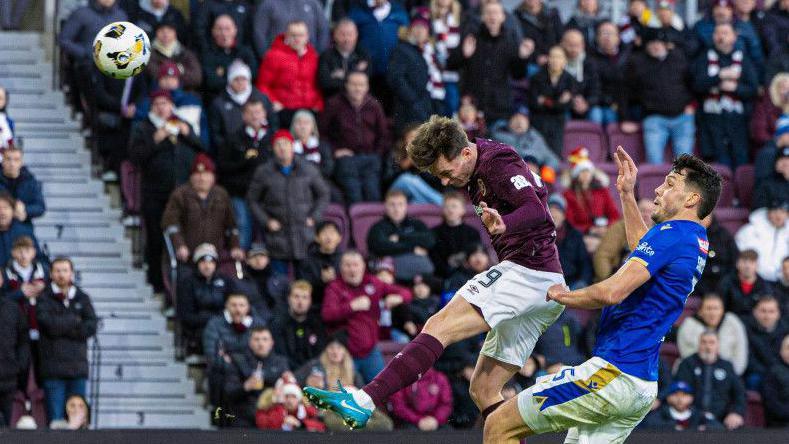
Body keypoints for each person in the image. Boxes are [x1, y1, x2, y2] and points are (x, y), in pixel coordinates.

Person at [305, 115, 566, 430]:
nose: (444, 182)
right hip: (542, 284)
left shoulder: (498, 163)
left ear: (466, 153)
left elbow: (537, 211)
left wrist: (506, 224)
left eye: (445, 172)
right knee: (483, 390)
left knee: (439, 324)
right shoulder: (474, 162)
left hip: (529, 273)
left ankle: (363, 401)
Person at [485, 149, 723, 442]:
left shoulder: (673, 233)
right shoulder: (693, 239)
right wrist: (626, 194)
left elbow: (612, 292)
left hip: (614, 374)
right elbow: (642, 246)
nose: (659, 189)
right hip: (640, 384)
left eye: (671, 184)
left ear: (691, 199)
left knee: (498, 425)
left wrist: (560, 295)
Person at [128, 89, 202, 291]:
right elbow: (135, 157)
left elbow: (202, 149)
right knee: (156, 237)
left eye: (166, 103)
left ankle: (181, 284)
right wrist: (156, 139)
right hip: (155, 192)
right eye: (158, 104)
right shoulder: (143, 128)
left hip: (182, 193)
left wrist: (190, 134)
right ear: (152, 107)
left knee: (184, 238)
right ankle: (156, 283)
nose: (162, 108)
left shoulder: (181, 125)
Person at [320, 251, 412, 384]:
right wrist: (351, 306)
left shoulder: (373, 282)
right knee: (346, 395)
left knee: (383, 389)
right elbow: (327, 315)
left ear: (363, 267)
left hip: (370, 351)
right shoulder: (334, 287)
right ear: (341, 268)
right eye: (347, 265)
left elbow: (407, 292)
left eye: (356, 265)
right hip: (345, 353)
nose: (352, 269)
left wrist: (399, 297)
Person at [247, 130, 329, 274]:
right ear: (273, 148)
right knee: (279, 282)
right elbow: (252, 200)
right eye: (278, 144)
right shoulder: (264, 172)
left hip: (304, 235)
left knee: (304, 283)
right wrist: (266, 221)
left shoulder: (308, 169)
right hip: (278, 237)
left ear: (292, 146)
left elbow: (323, 194)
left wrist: (314, 217)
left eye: (285, 143)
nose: (282, 148)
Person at [447, 1, 531, 124]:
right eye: (489, 13)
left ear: (503, 17)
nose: (492, 16)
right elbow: (450, 65)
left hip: (500, 108)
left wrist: (522, 58)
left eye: (496, 13)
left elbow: (518, 74)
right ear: (483, 17)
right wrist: (463, 54)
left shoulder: (510, 42)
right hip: (473, 108)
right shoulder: (472, 38)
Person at [620, 28, 695, 164]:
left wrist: (693, 105)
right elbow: (624, 91)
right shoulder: (636, 62)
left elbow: (693, 83)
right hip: (654, 118)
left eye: (659, 42)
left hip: (682, 117)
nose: (655, 45)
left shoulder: (679, 57)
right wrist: (625, 118)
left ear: (666, 44)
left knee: (685, 166)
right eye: (651, 42)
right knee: (654, 163)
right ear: (645, 45)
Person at [37, 258, 98, 422]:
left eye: (65, 270)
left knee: (78, 421)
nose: (61, 274)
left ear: (71, 273)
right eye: (57, 270)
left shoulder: (82, 298)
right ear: (51, 274)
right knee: (56, 421)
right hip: (53, 371)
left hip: (77, 369)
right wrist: (75, 320)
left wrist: (61, 324)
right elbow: (48, 325)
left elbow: (91, 326)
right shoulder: (44, 298)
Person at [692, 23, 759, 169]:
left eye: (725, 33)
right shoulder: (703, 58)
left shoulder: (744, 59)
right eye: (718, 33)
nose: (721, 37)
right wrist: (719, 76)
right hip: (711, 123)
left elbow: (753, 89)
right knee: (716, 170)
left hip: (737, 124)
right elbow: (696, 84)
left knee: (740, 164)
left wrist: (735, 88)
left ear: (734, 37)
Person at [319, 71, 389, 204]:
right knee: (354, 197)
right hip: (346, 160)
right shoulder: (334, 104)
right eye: (354, 84)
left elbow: (383, 134)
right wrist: (334, 151)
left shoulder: (374, 105)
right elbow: (322, 133)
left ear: (367, 87)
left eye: (361, 85)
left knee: (373, 196)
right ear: (346, 85)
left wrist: (377, 154)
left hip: (370, 158)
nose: (358, 88)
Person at [161, 153, 243, 266]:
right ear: (191, 176)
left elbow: (231, 225)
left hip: (216, 257)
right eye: (197, 174)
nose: (202, 178)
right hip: (187, 256)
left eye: (206, 174)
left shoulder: (221, 194)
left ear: (213, 177)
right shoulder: (180, 195)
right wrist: (179, 245)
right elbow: (171, 224)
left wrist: (235, 246)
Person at [218, 97, 273, 250]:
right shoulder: (233, 139)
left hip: (267, 196)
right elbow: (224, 167)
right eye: (251, 112)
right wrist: (245, 162)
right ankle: (241, 270)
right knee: (243, 231)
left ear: (264, 114)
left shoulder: (272, 138)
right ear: (243, 116)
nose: (255, 116)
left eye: (258, 112)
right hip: (241, 195)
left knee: (268, 234)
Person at [674, 331, 746, 430]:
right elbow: (679, 391)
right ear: (699, 344)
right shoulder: (687, 364)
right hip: (692, 417)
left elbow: (740, 393)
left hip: (722, 418)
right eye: (704, 342)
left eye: (712, 343)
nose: (707, 346)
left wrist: (736, 412)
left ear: (718, 346)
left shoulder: (727, 366)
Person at [256, 22, 323, 127]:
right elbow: (263, 85)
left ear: (307, 37)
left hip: (310, 109)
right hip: (284, 109)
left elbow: (319, 84)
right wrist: (273, 102)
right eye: (293, 35)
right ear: (286, 36)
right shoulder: (274, 55)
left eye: (300, 35)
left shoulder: (313, 56)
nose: (297, 39)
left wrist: (318, 104)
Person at [221, 326, 290, 427]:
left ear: (271, 343)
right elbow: (228, 391)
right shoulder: (238, 361)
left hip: (274, 417)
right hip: (245, 418)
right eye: (256, 339)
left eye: (265, 339)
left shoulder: (281, 363)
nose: (261, 344)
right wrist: (245, 387)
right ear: (250, 342)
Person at [387, 14, 443, 133]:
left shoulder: (428, 52)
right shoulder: (402, 49)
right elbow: (395, 78)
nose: (419, 31)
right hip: (408, 109)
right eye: (416, 27)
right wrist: (414, 100)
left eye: (423, 28)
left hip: (426, 106)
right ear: (410, 30)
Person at [208, 60, 278, 155]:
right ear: (229, 80)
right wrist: (228, 148)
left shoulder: (262, 98)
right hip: (231, 152)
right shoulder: (218, 103)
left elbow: (273, 124)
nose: (240, 82)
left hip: (263, 148)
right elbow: (215, 133)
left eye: (243, 79)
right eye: (236, 79)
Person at [367, 189, 436, 283]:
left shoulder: (416, 224)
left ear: (406, 206)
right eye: (392, 205)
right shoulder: (378, 227)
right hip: (391, 277)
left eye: (400, 204)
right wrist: (412, 248)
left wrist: (400, 237)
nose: (396, 209)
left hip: (421, 277)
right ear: (386, 206)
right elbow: (381, 247)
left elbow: (429, 240)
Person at [347, 0, 410, 103]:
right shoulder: (357, 11)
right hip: (367, 71)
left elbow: (406, 38)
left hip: (392, 70)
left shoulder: (398, 11)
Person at [176, 243, 232, 355]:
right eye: (203, 262)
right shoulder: (188, 283)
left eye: (211, 262)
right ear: (197, 263)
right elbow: (186, 315)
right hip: (198, 328)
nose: (207, 266)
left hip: (223, 324)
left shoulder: (226, 281)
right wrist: (210, 319)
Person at [677, 293, 749, 375]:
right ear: (700, 311)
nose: (712, 313)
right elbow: (687, 355)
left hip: (729, 376)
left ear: (722, 310)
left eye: (716, 308)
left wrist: (728, 375)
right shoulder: (689, 326)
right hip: (697, 375)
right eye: (708, 308)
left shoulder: (733, 323)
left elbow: (741, 354)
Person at [528, 46, 578, 155]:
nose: (555, 60)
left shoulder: (570, 80)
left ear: (565, 61)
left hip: (557, 121)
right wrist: (558, 102)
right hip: (539, 119)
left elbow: (567, 106)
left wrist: (545, 101)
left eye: (559, 57)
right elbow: (533, 103)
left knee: (554, 155)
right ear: (548, 59)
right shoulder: (536, 78)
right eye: (552, 56)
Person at [592, 198, 654, 282]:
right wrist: (609, 282)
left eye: (650, 212)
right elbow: (602, 256)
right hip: (616, 279)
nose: (646, 215)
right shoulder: (620, 228)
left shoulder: (658, 232)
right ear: (634, 211)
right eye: (643, 211)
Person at [561, 146, 620, 234]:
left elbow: (614, 215)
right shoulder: (568, 195)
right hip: (582, 235)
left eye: (587, 171)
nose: (585, 174)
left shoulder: (602, 190)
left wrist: (606, 226)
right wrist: (589, 229)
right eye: (582, 172)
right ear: (576, 175)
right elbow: (570, 224)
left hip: (605, 231)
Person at [270, 281, 326, 369]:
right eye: (296, 297)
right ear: (289, 299)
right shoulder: (278, 324)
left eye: (305, 297)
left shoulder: (317, 325)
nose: (300, 302)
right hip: (287, 371)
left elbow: (320, 353)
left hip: (313, 372)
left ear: (310, 301)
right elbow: (280, 354)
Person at [201, 14, 258, 100]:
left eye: (227, 29)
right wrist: (234, 84)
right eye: (219, 29)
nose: (223, 33)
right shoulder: (208, 55)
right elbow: (211, 81)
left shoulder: (245, 52)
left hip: (247, 96)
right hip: (219, 98)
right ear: (213, 31)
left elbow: (253, 73)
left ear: (235, 30)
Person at [430, 191, 481, 279]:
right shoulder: (434, 232)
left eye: (454, 206)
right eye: (447, 207)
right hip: (444, 275)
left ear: (463, 210)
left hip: (470, 275)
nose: (450, 210)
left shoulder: (473, 232)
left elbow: (477, 255)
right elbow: (435, 259)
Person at [490, 105, 558, 170]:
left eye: (523, 119)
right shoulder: (498, 135)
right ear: (509, 120)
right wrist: (524, 163)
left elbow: (553, 159)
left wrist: (544, 169)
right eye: (516, 118)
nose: (519, 123)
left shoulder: (535, 138)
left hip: (533, 177)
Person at [252, 0, 329, 57]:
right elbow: (259, 33)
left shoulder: (313, 3)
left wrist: (316, 56)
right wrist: (267, 57)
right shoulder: (268, 4)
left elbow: (323, 30)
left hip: (308, 62)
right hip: (278, 62)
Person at [736, 199, 788, 282]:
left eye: (782, 211)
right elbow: (739, 258)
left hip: (783, 284)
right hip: (754, 282)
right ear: (768, 212)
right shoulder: (749, 231)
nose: (778, 215)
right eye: (775, 211)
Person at [317, 19, 371, 100]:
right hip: (333, 101)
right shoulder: (326, 56)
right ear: (334, 35)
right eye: (342, 34)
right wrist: (355, 73)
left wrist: (344, 74)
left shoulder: (363, 55)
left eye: (350, 34)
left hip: (359, 102)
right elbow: (325, 83)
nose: (347, 39)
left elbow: (367, 78)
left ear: (356, 35)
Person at [549, 194, 593, 290]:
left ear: (564, 215)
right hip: (548, 285)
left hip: (572, 284)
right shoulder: (540, 235)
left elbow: (585, 263)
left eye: (557, 211)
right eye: (551, 210)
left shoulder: (575, 235)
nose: (554, 214)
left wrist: (583, 282)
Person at [590, 21, 629, 126]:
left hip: (621, 103)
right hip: (599, 102)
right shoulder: (591, 58)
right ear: (597, 38)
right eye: (603, 33)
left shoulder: (627, 56)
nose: (607, 37)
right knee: (596, 115)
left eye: (611, 33)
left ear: (618, 37)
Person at [145, 19, 202, 92]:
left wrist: (176, 76)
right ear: (156, 33)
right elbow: (150, 74)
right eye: (162, 31)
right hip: (156, 94)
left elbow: (196, 78)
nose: (165, 35)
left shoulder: (186, 54)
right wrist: (178, 70)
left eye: (169, 31)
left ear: (175, 33)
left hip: (183, 94)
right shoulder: (148, 54)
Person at [640, 380, 723, 430]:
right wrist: (672, 427)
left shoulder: (699, 415)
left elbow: (719, 428)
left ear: (691, 398)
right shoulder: (660, 414)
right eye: (675, 395)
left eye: (684, 395)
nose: (680, 399)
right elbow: (648, 425)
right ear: (668, 398)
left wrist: (704, 429)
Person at [744, 296, 789, 389]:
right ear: (755, 312)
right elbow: (749, 360)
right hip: (759, 374)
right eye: (763, 311)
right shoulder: (745, 330)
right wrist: (770, 373)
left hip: (782, 372)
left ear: (778, 313)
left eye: (771, 311)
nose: (767, 316)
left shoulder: (785, 330)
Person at [0, 288, 29, 427]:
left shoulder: (13, 308)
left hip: (8, 378)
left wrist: (19, 366)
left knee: (7, 427)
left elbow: (23, 341)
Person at [296, 221, 343, 304]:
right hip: (315, 304)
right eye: (324, 233)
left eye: (332, 233)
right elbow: (302, 287)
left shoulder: (345, 259)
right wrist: (321, 282)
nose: (328, 237)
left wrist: (335, 281)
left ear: (339, 238)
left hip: (341, 303)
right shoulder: (307, 260)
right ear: (317, 238)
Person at [717, 249, 776, 315]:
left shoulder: (765, 287)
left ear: (757, 266)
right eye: (744, 261)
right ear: (737, 264)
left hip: (756, 323)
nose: (747, 266)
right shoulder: (726, 283)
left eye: (752, 262)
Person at [255, 377, 326, 431]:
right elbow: (262, 424)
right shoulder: (270, 409)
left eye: (293, 397)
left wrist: (300, 424)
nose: (290, 400)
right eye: (287, 396)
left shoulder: (306, 410)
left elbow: (321, 426)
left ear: (298, 399)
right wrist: (282, 421)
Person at [0, 146, 45, 230]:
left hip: (22, 230)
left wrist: (25, 210)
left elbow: (40, 207)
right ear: (3, 161)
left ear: (21, 162)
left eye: (16, 160)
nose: (12, 164)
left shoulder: (30, 181)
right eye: (8, 159)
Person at [560, 29, 600, 120]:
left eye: (577, 45)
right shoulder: (556, 61)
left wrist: (587, 103)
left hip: (586, 103)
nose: (573, 49)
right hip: (564, 104)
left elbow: (596, 89)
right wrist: (570, 100)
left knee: (596, 114)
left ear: (583, 46)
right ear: (562, 44)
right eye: (570, 45)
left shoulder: (590, 63)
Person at [290, 110, 333, 179]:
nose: (302, 127)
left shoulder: (322, 146)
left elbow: (328, 169)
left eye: (306, 123)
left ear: (313, 126)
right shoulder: (288, 146)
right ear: (293, 126)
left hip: (319, 181)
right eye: (299, 123)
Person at [0, 191, 39, 267]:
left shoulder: (25, 232)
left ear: (13, 211)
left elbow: (40, 259)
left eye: (5, 208)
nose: (2, 212)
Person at [763, 334, 789, 427]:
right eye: (788, 348)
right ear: (781, 351)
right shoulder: (772, 372)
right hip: (782, 425)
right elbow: (772, 405)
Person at [753, 143, 789, 211]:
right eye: (782, 160)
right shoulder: (766, 183)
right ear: (775, 164)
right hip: (770, 219)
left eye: (788, 160)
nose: (786, 163)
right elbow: (758, 209)